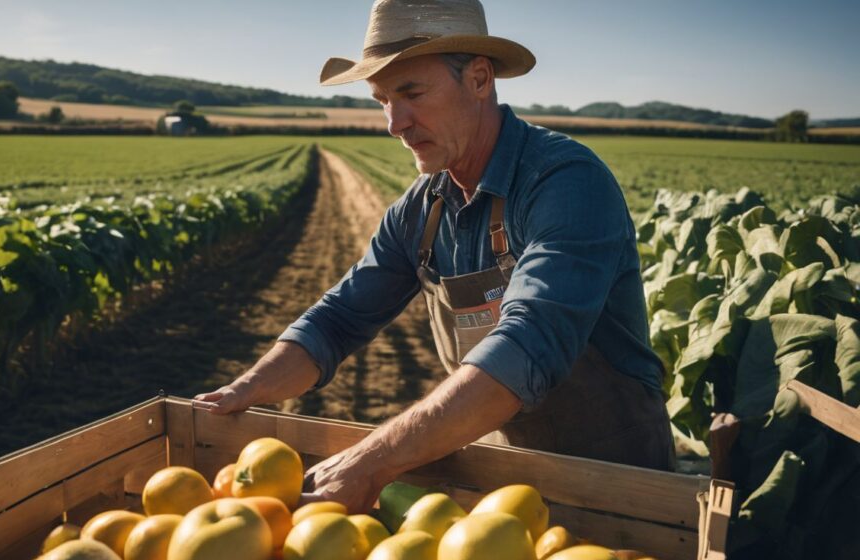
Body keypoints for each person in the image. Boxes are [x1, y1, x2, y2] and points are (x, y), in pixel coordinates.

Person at [194, 0, 674, 513]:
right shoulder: (420, 211)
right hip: (505, 482)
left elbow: (529, 344)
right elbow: (337, 321)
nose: (394, 124)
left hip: (618, 488)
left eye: (411, 93)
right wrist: (244, 390)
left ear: (480, 79)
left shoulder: (565, 183)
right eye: (382, 100)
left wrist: (372, 459)